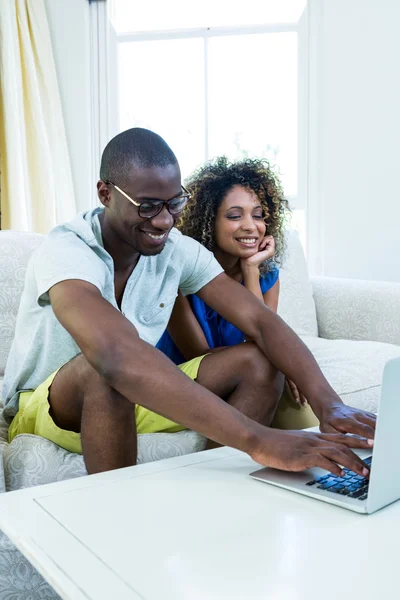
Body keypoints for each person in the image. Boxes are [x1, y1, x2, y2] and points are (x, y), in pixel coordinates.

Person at [2, 128, 375, 478]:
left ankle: (213, 499)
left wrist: (330, 405)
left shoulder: (177, 250)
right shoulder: (68, 250)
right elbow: (114, 354)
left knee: (260, 360)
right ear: (105, 193)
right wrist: (260, 439)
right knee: (103, 370)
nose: (165, 220)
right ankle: (116, 530)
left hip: (129, 396)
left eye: (174, 202)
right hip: (47, 406)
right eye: (147, 206)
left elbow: (261, 322)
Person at [157, 156, 309, 418]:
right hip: (186, 376)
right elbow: (198, 354)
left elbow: (263, 336)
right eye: (235, 216)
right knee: (272, 364)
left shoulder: (266, 275)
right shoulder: (178, 273)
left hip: (247, 374)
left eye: (259, 215)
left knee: (300, 405)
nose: (251, 226)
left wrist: (251, 270)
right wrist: (281, 359)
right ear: (208, 221)